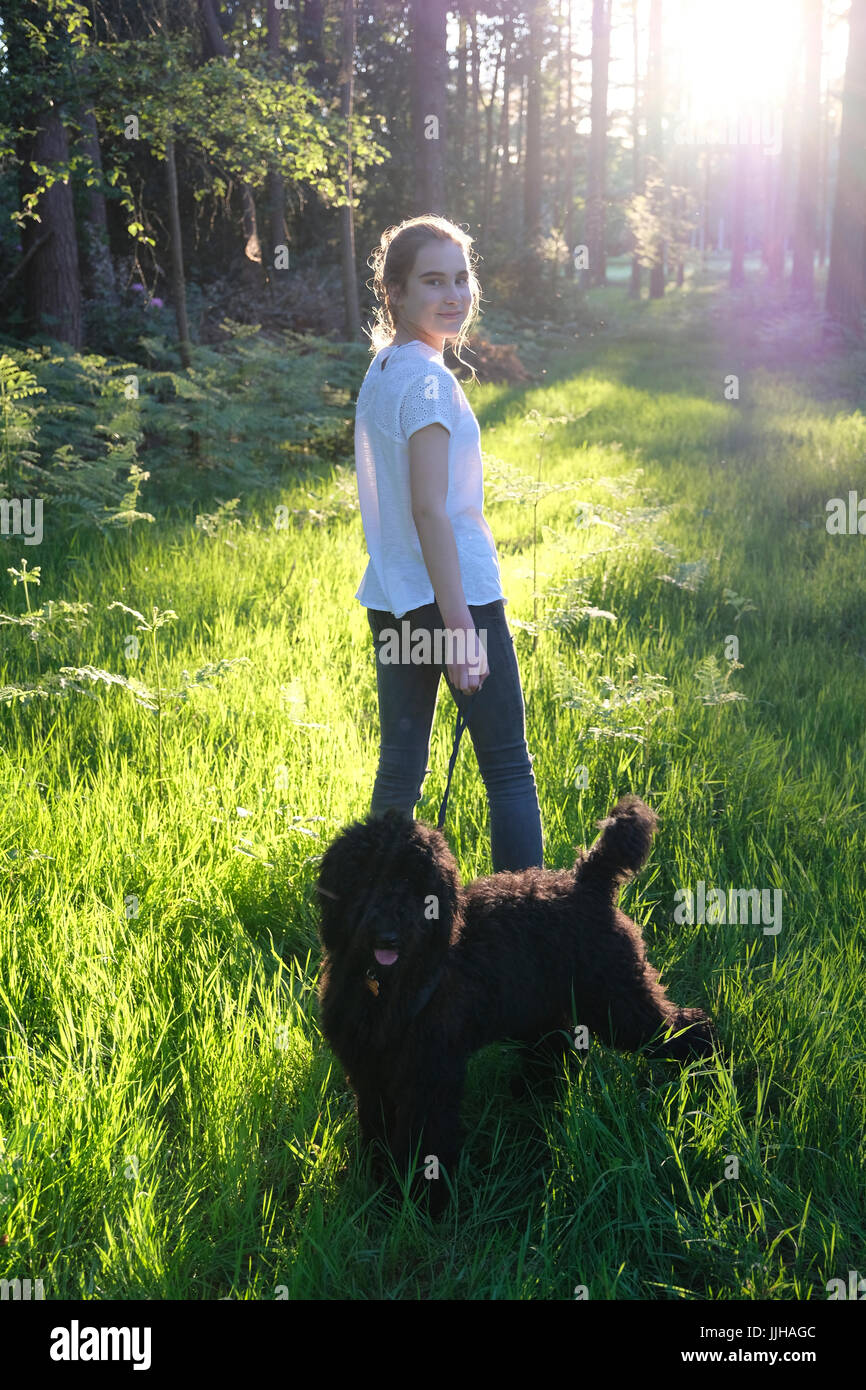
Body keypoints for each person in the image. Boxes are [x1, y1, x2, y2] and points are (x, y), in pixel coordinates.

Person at [353, 213, 544, 872]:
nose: (454, 294)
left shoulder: (386, 369)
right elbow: (431, 512)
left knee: (400, 775)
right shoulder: (429, 381)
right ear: (396, 293)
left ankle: (373, 921)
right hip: (454, 596)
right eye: (433, 281)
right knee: (509, 773)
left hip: (396, 597)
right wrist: (461, 630)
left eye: (461, 278)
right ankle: (526, 938)